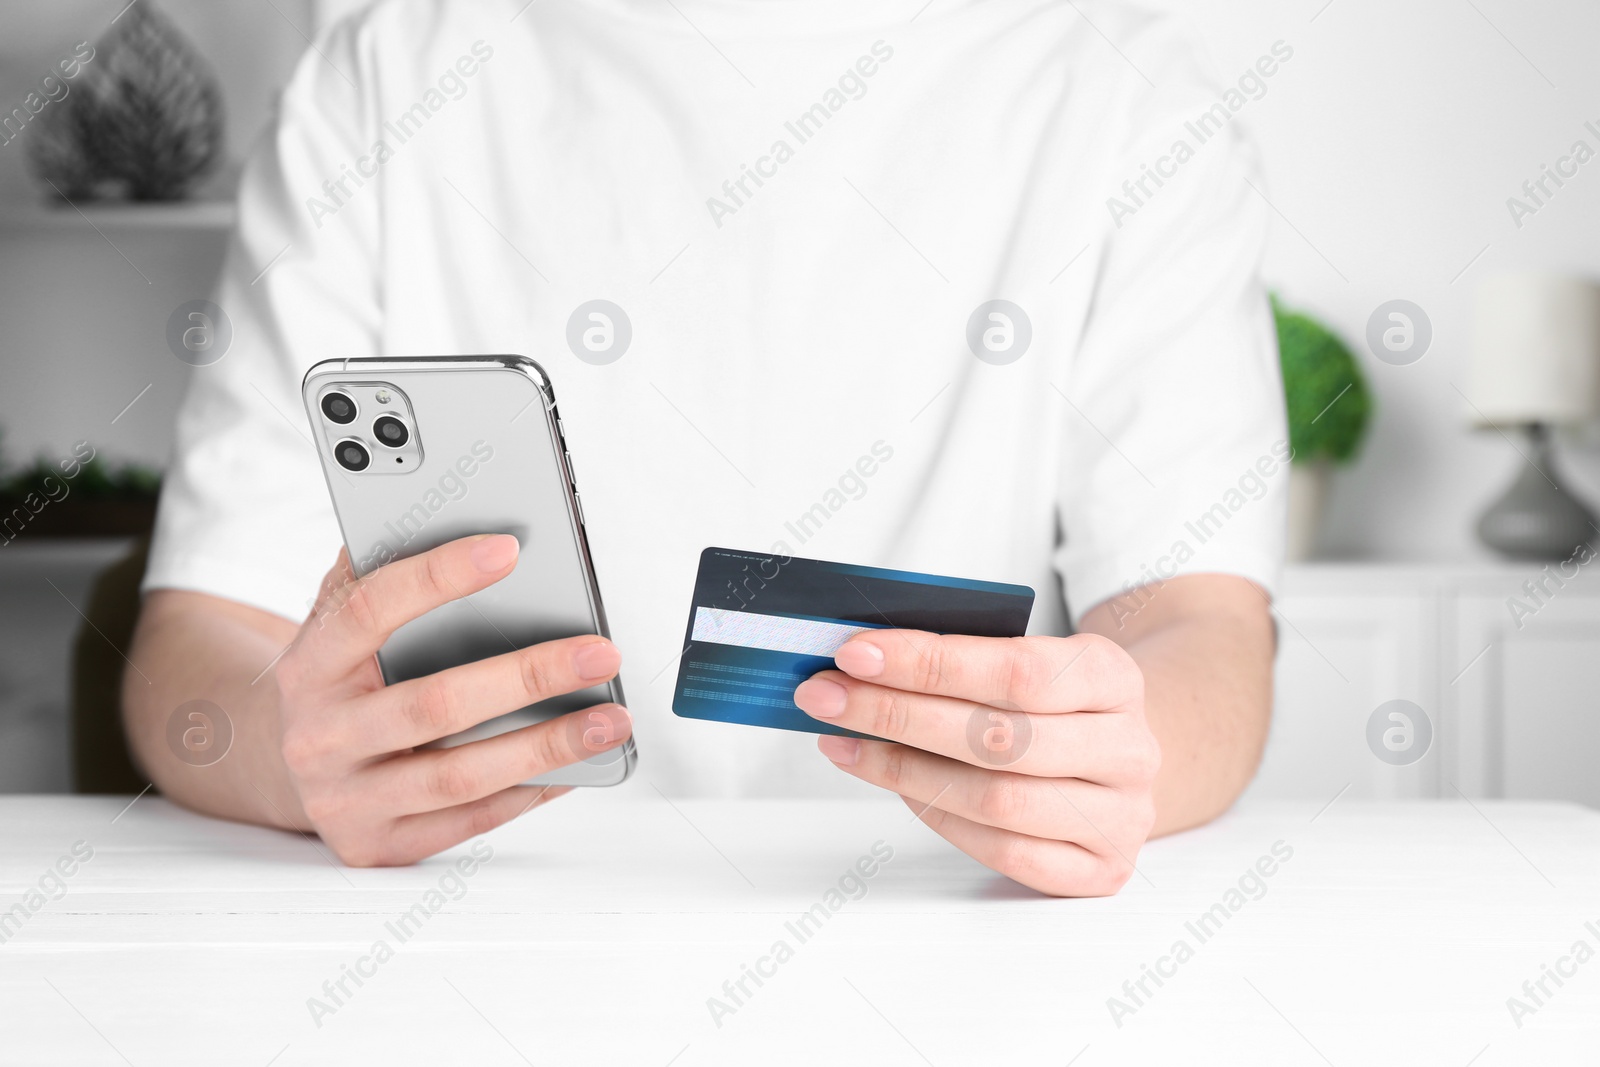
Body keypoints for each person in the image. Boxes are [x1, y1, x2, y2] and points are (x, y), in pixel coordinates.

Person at [123, 0, 1285, 896]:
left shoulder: (1128, 94)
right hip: (461, 917)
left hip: (950, 911)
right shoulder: (384, 70)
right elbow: (200, 639)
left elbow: (1201, 623)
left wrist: (1115, 749)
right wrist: (289, 753)